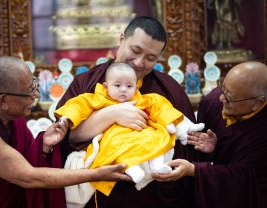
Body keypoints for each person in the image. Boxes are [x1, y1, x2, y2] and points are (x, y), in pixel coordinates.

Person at [57, 16, 200, 208]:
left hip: (154, 196)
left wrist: (204, 143)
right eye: (135, 50)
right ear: (122, 39)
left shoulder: (168, 88)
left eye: (151, 58)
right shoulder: (87, 82)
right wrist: (112, 114)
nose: (139, 63)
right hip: (101, 195)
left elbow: (187, 143)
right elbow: (66, 135)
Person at [0, 56, 131, 208]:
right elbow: (28, 177)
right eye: (29, 92)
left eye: (34, 85)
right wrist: (97, 174)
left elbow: (19, 161)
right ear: (3, 100)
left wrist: (43, 146)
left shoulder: (9, 114)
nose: (37, 95)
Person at [56, 63, 204, 197]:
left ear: (136, 86)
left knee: (158, 138)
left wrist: (169, 121)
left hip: (140, 134)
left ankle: (157, 166)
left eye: (129, 86)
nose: (123, 90)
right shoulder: (98, 98)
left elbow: (160, 106)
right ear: (106, 86)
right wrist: (67, 118)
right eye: (117, 85)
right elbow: (78, 105)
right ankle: (132, 169)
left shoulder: (142, 99)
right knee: (115, 146)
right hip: (115, 136)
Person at [155, 61, 267, 208]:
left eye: (230, 98)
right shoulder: (213, 101)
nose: (221, 98)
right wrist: (213, 150)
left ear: (257, 103)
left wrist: (194, 170)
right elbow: (202, 152)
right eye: (223, 88)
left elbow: (245, 179)